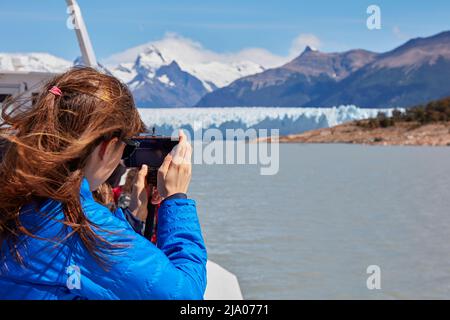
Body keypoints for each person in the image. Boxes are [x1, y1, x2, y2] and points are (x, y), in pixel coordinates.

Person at [0, 67, 207, 300]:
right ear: (107, 147)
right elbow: (185, 296)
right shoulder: (79, 224)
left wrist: (133, 218)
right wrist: (175, 199)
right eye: (126, 148)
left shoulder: (18, 193)